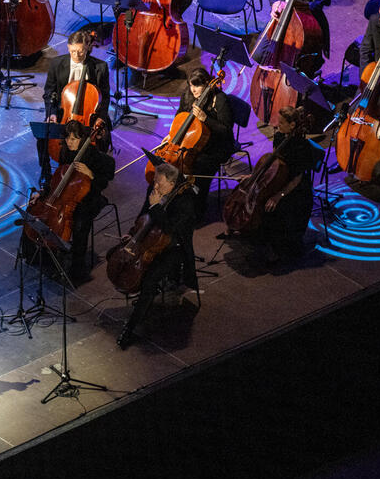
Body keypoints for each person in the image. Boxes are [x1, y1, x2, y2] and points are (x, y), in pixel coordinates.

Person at [116, 162, 196, 349]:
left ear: (172, 183)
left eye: (159, 183)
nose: (155, 187)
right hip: (148, 242)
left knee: (150, 280)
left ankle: (130, 329)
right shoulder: (153, 192)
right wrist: (134, 233)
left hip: (173, 249)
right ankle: (144, 302)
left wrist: (155, 208)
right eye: (154, 182)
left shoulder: (185, 201)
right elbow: (143, 215)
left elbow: (170, 229)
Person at [26, 120, 115, 284]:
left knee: (80, 223)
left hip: (90, 197)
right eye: (67, 138)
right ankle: (45, 256)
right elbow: (58, 178)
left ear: (82, 138)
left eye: (74, 139)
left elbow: (105, 180)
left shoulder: (93, 154)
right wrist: (42, 192)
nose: (69, 142)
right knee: (36, 209)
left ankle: (77, 270)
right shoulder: (66, 152)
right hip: (66, 196)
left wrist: (91, 174)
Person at [40, 30, 111, 186]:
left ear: (88, 48)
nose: (77, 56)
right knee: (42, 137)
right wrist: (51, 114)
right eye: (73, 51)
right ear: (67, 47)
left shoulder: (100, 67)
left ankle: (92, 173)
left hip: (90, 115)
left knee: (102, 138)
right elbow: (48, 92)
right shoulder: (57, 64)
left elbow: (105, 97)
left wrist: (101, 117)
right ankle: (45, 172)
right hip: (64, 112)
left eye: (81, 52)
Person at [257, 105, 318, 263]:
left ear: (292, 125)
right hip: (280, 179)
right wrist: (255, 176)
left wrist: (278, 196)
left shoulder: (301, 146)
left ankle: (279, 249)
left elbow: (297, 178)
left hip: (297, 189)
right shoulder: (279, 137)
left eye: (282, 123)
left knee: (274, 206)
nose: (278, 125)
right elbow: (275, 164)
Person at [175, 67, 234, 220]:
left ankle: (198, 209)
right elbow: (179, 116)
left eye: (197, 86)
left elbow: (226, 130)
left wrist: (205, 119)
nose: (193, 89)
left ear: (207, 84)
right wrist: (172, 137)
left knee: (200, 167)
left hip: (217, 145)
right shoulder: (188, 95)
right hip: (195, 141)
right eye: (191, 85)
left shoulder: (220, 99)